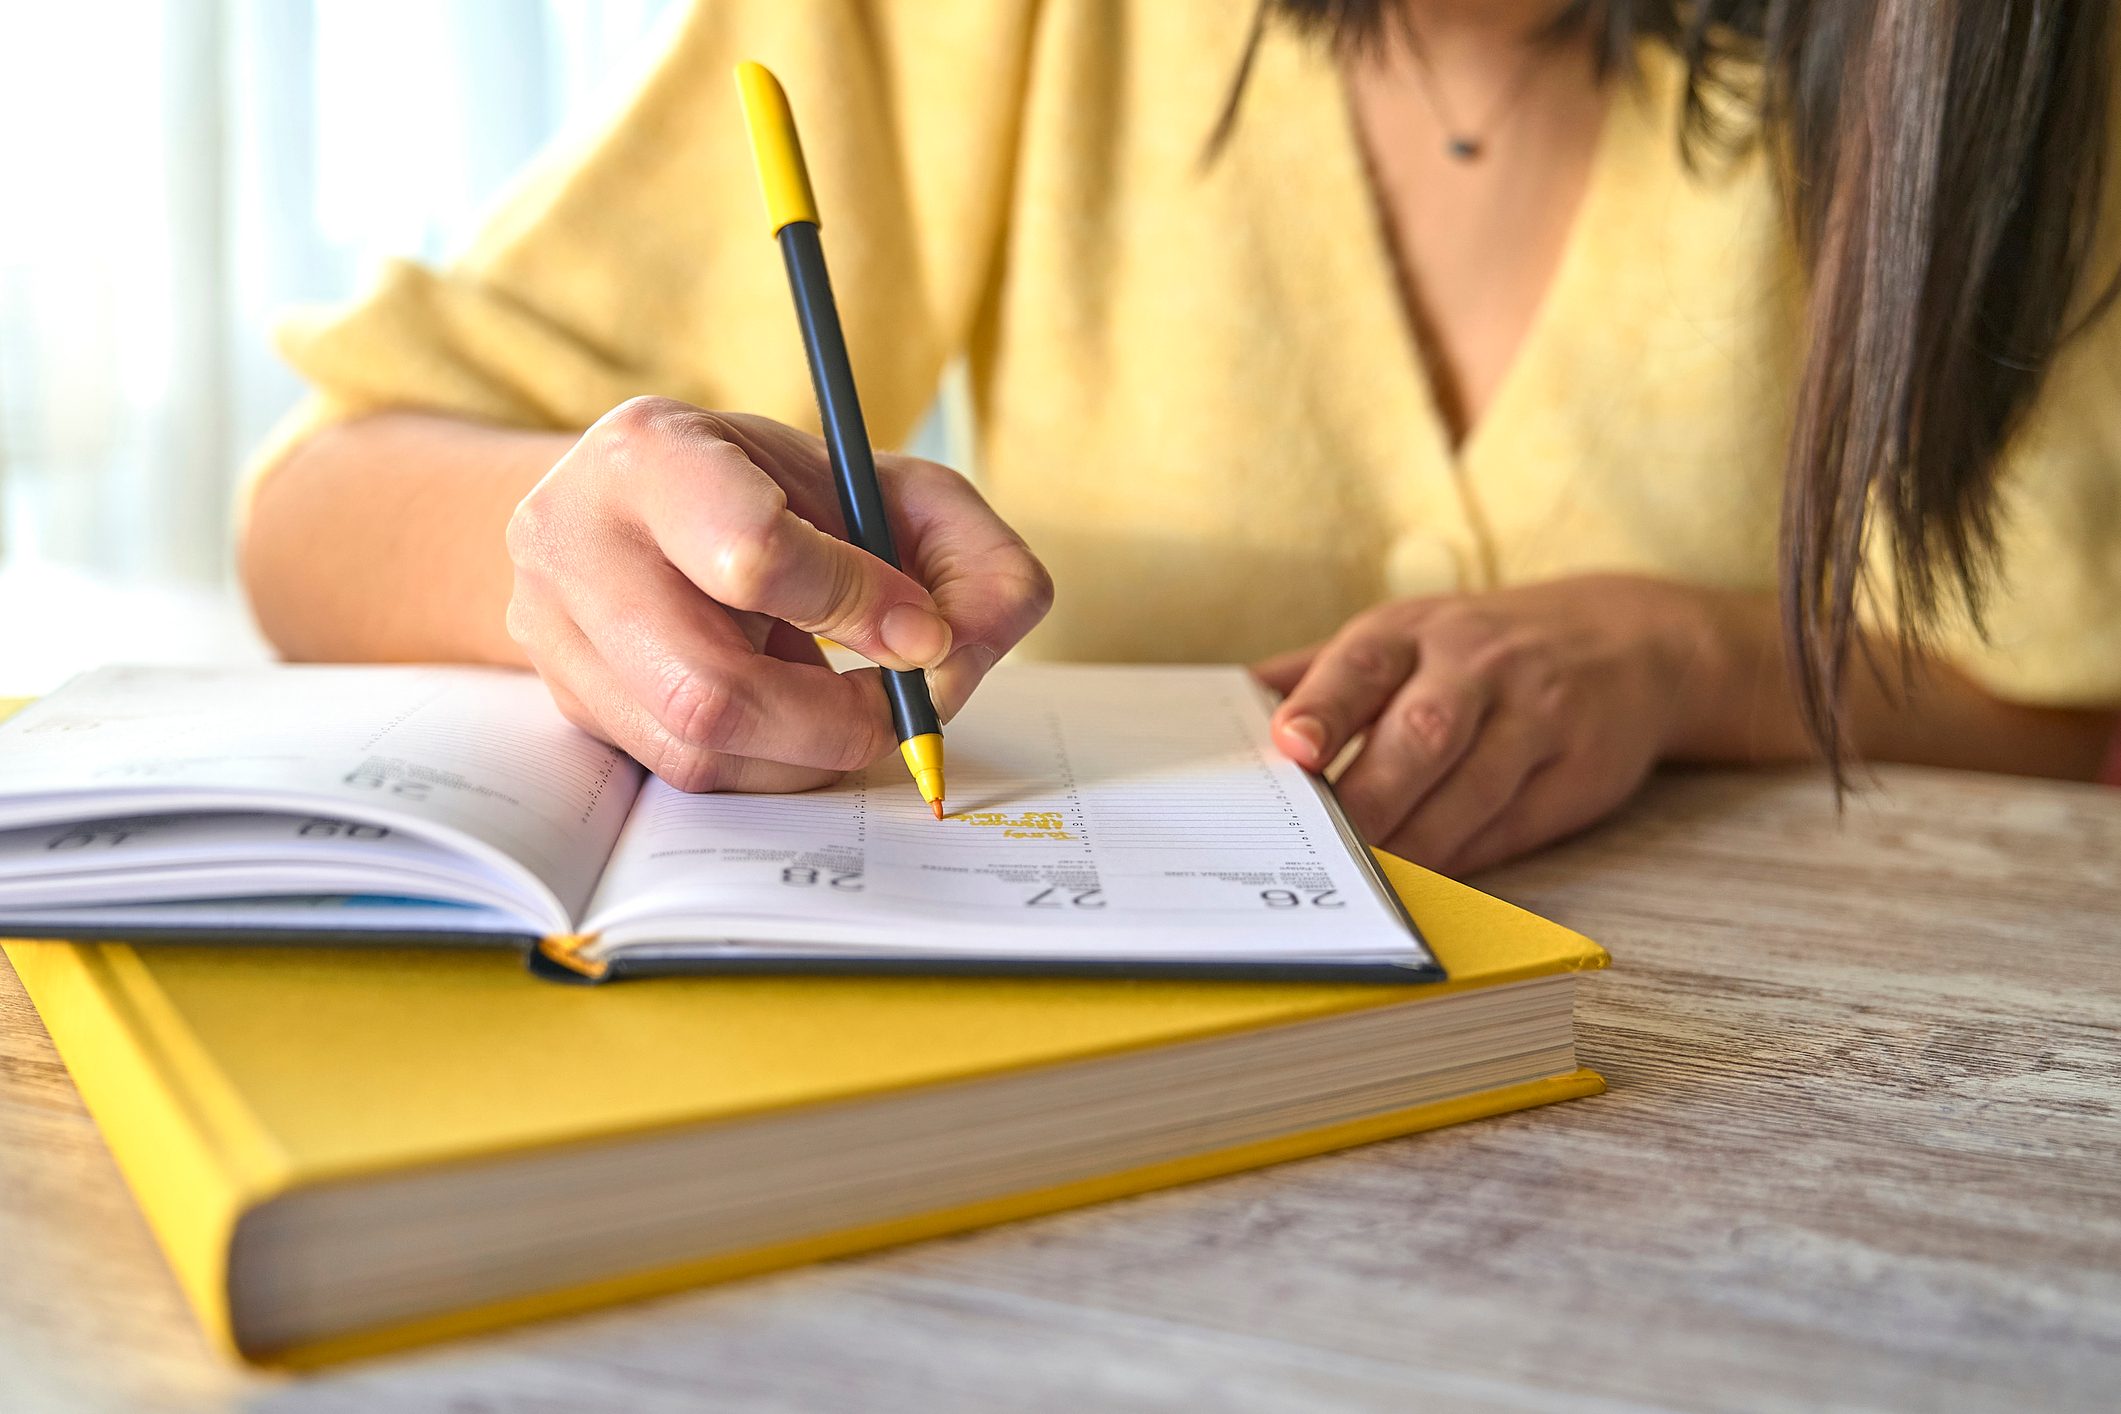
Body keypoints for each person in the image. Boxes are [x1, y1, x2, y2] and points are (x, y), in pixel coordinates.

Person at [240, 0, 2121, 876]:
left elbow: (2080, 704)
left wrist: (1694, 656)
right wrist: (585, 546)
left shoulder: (2012, 62)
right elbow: (317, 501)